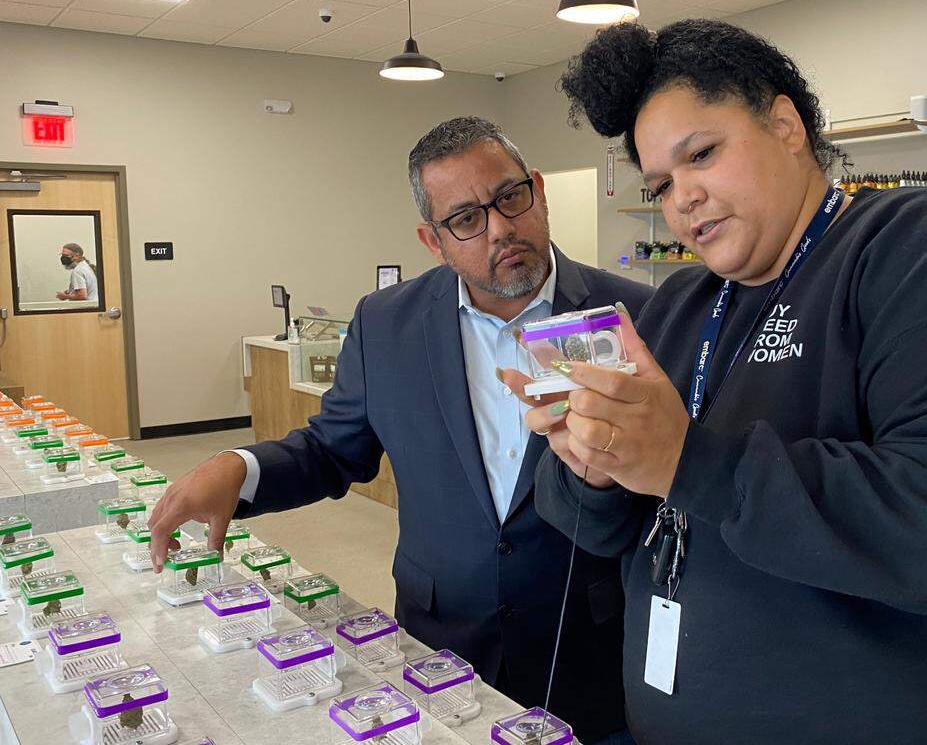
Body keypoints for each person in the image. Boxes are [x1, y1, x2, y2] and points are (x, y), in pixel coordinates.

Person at [510, 20, 927, 743]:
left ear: (786, 123)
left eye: (702, 154)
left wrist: (687, 459)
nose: (683, 200)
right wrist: (595, 464)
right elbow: (604, 526)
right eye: (663, 185)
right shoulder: (679, 306)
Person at [148, 116, 652, 742]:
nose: (499, 228)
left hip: (590, 648)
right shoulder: (388, 324)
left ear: (539, 191)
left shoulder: (638, 317)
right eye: (465, 219)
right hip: (438, 648)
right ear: (432, 240)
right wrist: (240, 469)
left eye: (510, 197)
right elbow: (334, 451)